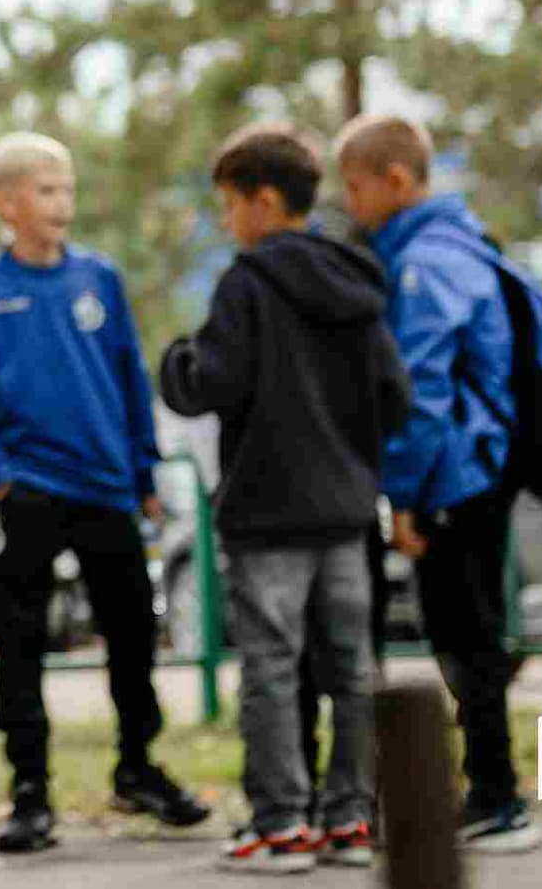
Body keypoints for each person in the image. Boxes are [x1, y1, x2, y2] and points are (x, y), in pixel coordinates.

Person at [0, 132, 209, 855]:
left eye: (67, 189)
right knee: (21, 646)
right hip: (29, 492)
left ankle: (139, 768)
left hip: (108, 490)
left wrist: (144, 474)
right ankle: (30, 791)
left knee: (131, 638)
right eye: (46, 190)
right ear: (7, 202)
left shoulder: (100, 280)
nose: (63, 202)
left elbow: (129, 377)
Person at [157, 123, 410, 873]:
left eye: (230, 207)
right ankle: (350, 818)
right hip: (344, 509)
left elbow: (211, 383)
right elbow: (394, 395)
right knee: (353, 669)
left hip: (267, 512)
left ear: (264, 202)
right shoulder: (357, 279)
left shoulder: (247, 283)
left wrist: (176, 360)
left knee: (271, 668)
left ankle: (281, 823)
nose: (228, 224)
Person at [335, 113, 541, 853]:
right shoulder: (453, 244)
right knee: (465, 629)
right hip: (468, 469)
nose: (350, 202)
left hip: (456, 475)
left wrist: (409, 497)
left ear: (396, 180)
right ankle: (491, 789)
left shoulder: (426, 261)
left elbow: (417, 392)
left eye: (355, 186)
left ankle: (496, 795)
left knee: (464, 632)